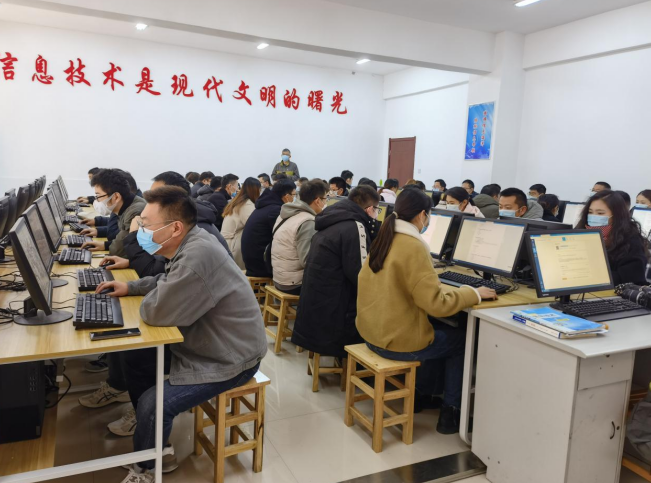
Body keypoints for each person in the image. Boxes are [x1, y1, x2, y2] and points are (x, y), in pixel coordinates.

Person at [95, 186, 267, 482]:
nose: (141, 231)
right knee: (137, 356)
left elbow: (155, 311)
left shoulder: (196, 255)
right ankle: (154, 444)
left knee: (153, 403)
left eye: (146, 225)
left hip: (232, 358)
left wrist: (147, 296)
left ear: (175, 228)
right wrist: (131, 286)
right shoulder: (192, 240)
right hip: (212, 342)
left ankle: (147, 468)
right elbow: (167, 279)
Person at [356, 188, 496, 434]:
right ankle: (451, 412)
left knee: (435, 328)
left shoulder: (385, 237)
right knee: (461, 340)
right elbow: (437, 305)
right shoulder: (413, 246)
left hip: (371, 333)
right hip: (395, 342)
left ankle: (422, 394)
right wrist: (473, 293)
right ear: (422, 215)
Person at [291, 185, 380, 361]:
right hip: (334, 316)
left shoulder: (331, 218)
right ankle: (364, 364)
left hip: (315, 309)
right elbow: (362, 276)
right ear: (370, 209)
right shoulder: (355, 226)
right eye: (377, 210)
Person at [100, 171, 232, 277]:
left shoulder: (194, 228)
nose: (150, 202)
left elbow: (155, 272)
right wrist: (130, 264)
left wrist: (133, 235)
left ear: (176, 196)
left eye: (157, 197)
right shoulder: (186, 220)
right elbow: (165, 268)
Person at [576, 190, 649, 285]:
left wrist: (590, 276)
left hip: (611, 290)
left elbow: (632, 278)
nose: (593, 217)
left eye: (600, 213)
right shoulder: (582, 231)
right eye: (590, 212)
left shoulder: (630, 240)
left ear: (616, 215)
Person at [271, 179, 328, 295]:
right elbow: (307, 261)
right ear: (318, 201)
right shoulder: (307, 221)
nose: (326, 203)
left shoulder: (286, 213)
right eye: (325, 199)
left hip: (279, 277)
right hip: (293, 283)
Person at [81, 169, 146, 257]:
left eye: (98, 196)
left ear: (116, 197)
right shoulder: (124, 206)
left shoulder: (134, 212)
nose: (97, 201)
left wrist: (107, 246)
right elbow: (121, 240)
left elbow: (118, 250)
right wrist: (105, 245)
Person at [241, 179, 296, 277]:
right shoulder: (275, 210)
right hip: (261, 264)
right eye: (294, 195)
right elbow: (285, 237)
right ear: (287, 197)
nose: (294, 199)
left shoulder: (266, 205)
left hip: (253, 260)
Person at [221, 177, 261, 270]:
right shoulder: (247, 204)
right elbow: (255, 225)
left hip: (228, 242)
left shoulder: (238, 201)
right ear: (255, 190)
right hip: (235, 244)